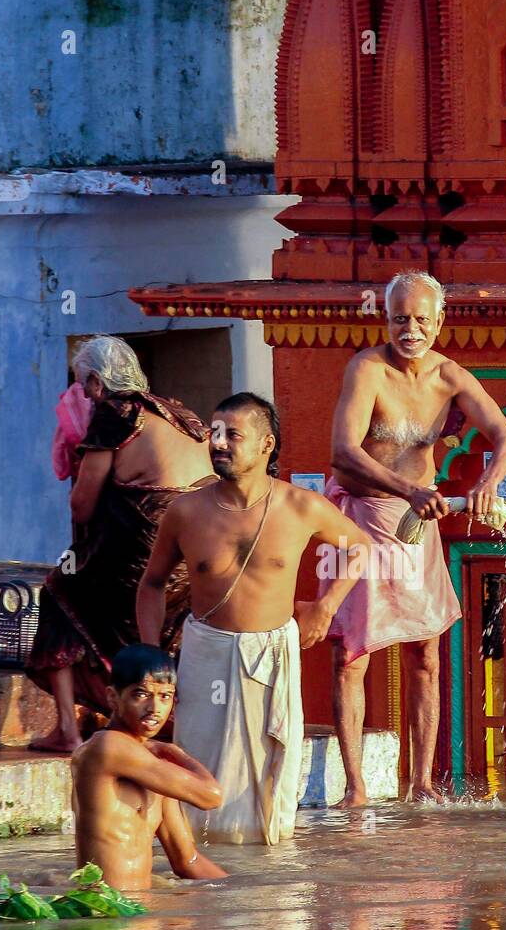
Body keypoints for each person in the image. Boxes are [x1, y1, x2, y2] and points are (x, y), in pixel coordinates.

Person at [137, 391, 371, 845]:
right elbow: (151, 584)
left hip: (273, 655)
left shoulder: (301, 507)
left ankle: (271, 898)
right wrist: (151, 654)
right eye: (214, 433)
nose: (219, 443)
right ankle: (202, 881)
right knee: (198, 767)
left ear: (266, 445)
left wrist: (325, 606)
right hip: (206, 653)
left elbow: (360, 547)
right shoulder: (186, 512)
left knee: (271, 773)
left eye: (232, 435)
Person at [327, 270, 506, 804]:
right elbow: (344, 453)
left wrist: (486, 484)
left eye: (419, 319)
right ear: (384, 320)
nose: (409, 329)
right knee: (351, 654)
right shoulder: (366, 369)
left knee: (426, 654)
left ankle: (421, 784)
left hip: (419, 522)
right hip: (362, 515)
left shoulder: (450, 376)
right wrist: (407, 490)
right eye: (398, 318)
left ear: (439, 321)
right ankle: (356, 788)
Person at [26, 335, 215, 750]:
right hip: (194, 555)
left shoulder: (117, 412)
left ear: (95, 383)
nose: (83, 395)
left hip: (143, 553)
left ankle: (68, 731)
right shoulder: (179, 412)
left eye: (81, 386)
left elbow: (82, 506)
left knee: (60, 592)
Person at [70, 643, 229, 890]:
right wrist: (175, 752)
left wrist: (240, 893)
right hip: (104, 913)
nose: (155, 708)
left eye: (165, 696)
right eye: (141, 694)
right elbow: (211, 796)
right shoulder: (108, 747)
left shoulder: (153, 767)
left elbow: (188, 861)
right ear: (113, 697)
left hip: (139, 913)